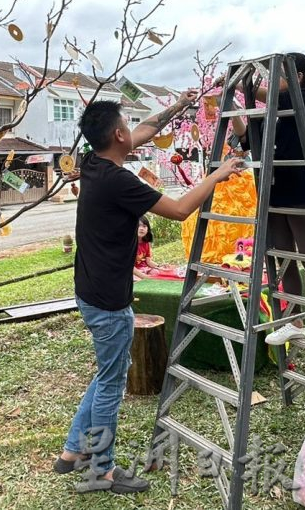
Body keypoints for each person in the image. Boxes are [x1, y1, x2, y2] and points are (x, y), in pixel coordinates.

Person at [53, 96, 243, 495]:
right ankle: (101, 470)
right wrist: (217, 175)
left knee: (106, 374)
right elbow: (177, 210)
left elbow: (142, 132)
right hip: (108, 300)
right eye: (127, 124)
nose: (133, 130)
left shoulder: (94, 163)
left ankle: (73, 451)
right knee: (111, 383)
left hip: (90, 290)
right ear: (118, 135)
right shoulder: (119, 180)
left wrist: (179, 106)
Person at [227, 52, 305, 363]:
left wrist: (246, 89)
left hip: (302, 194)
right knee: (282, 259)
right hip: (272, 195)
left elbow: (277, 96)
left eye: (274, 77)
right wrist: (234, 107)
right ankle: (294, 321)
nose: (268, 84)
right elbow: (246, 139)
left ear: (297, 76)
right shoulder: (272, 113)